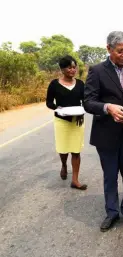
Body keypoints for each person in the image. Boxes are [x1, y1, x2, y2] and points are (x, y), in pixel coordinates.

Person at [84, 31, 123, 232]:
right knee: (110, 176)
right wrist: (108, 107)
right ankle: (112, 213)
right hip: (106, 135)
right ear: (109, 49)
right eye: (121, 51)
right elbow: (88, 102)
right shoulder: (97, 71)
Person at [46, 55, 87, 190]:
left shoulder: (81, 84)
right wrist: (57, 108)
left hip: (77, 120)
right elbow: (49, 102)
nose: (73, 70)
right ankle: (64, 164)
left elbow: (85, 101)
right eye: (69, 67)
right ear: (62, 69)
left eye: (74, 67)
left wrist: (82, 112)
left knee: (76, 150)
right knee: (63, 149)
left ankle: (75, 180)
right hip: (61, 120)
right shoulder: (54, 84)